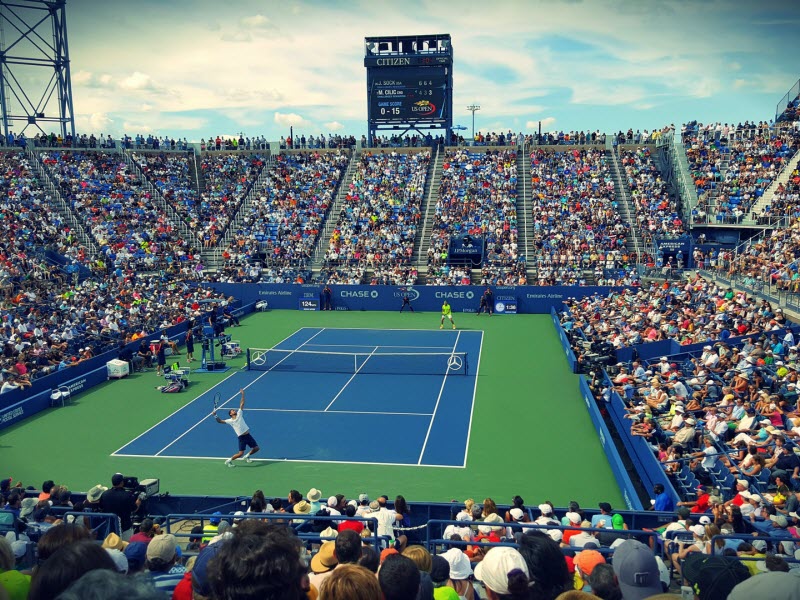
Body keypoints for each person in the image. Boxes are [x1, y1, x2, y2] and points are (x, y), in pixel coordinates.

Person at [214, 388, 260, 467]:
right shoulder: (230, 421)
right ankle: (228, 461)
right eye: (232, 411)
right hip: (242, 438)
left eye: (233, 410)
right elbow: (220, 421)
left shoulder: (239, 414)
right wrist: (215, 415)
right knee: (240, 453)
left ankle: (247, 456)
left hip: (248, 435)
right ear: (230, 414)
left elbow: (242, 404)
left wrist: (242, 394)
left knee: (256, 448)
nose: (234, 410)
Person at [99, 474, 142, 540]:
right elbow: (135, 509)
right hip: (125, 528)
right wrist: (139, 499)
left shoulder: (105, 494)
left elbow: (101, 508)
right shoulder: (127, 495)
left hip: (109, 528)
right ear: (122, 482)